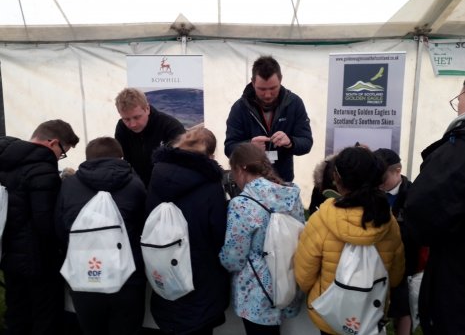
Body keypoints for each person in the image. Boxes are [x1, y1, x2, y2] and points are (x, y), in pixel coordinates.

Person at [293, 146, 405, 335]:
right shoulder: (388, 220)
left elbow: (304, 277)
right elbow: (395, 275)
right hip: (370, 311)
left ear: (336, 178)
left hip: (330, 313)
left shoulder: (322, 219)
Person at [55, 137, 147, 335]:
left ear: (87, 159)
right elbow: (144, 227)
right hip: (126, 277)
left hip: (83, 276)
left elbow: (61, 228)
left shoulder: (69, 186)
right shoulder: (134, 184)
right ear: (120, 157)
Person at [146, 127, 229, 335]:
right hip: (199, 276)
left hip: (163, 270)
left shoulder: (156, 176)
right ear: (210, 155)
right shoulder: (211, 186)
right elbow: (219, 234)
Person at [0, 119, 79, 335]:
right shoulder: (42, 168)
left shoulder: (6, 159)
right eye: (63, 152)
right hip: (39, 258)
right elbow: (46, 222)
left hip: (8, 251)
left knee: (16, 311)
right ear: (53, 143)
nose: (60, 157)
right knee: (45, 315)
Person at [219, 142, 305, 335]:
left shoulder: (241, 204)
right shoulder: (291, 194)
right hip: (288, 281)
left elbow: (234, 257)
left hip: (256, 291)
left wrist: (221, 259)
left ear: (241, 169)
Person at [404, 80, 465, 335]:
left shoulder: (458, 149)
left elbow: (420, 212)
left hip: (456, 281)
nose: (458, 104)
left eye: (459, 97)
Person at [224, 55, 313, 182]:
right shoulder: (239, 108)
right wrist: (249, 147)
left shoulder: (294, 103)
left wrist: (290, 142)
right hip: (250, 182)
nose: (267, 94)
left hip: (282, 181)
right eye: (262, 89)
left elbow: (306, 143)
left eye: (273, 88)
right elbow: (229, 148)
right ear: (253, 82)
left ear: (281, 80)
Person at [373, 148, 418, 335]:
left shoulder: (413, 194)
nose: (380, 184)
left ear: (398, 170)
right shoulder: (372, 192)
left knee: (403, 304)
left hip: (404, 259)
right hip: (375, 259)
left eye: (383, 178)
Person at [114, 87, 185, 187]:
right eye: (126, 119)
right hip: (136, 187)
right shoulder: (122, 127)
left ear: (147, 109)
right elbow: (121, 162)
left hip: (166, 188)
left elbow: (181, 167)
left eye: (137, 117)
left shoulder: (171, 127)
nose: (132, 124)